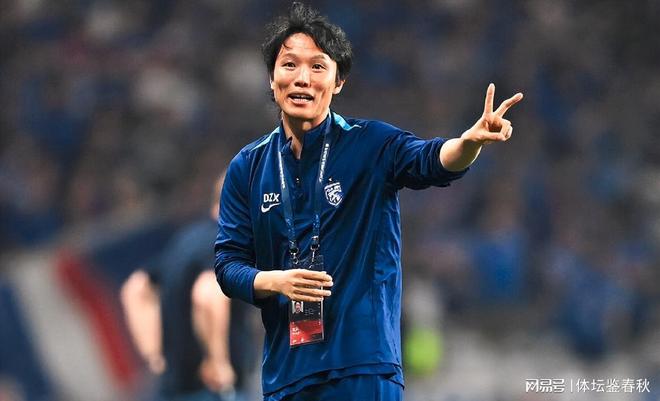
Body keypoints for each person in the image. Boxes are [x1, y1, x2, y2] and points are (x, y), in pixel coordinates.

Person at [215, 3, 523, 400]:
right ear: (272, 79)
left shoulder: (371, 144)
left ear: (338, 82)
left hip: (364, 367)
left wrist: (468, 143)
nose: (302, 78)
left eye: (318, 66)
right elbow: (228, 265)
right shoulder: (247, 167)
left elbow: (431, 160)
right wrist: (275, 281)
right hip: (287, 378)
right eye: (289, 65)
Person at [122, 174, 254, 401]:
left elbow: (136, 288)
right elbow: (207, 295)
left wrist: (155, 355)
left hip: (174, 389)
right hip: (214, 390)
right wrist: (217, 362)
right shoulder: (225, 241)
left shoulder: (186, 240)